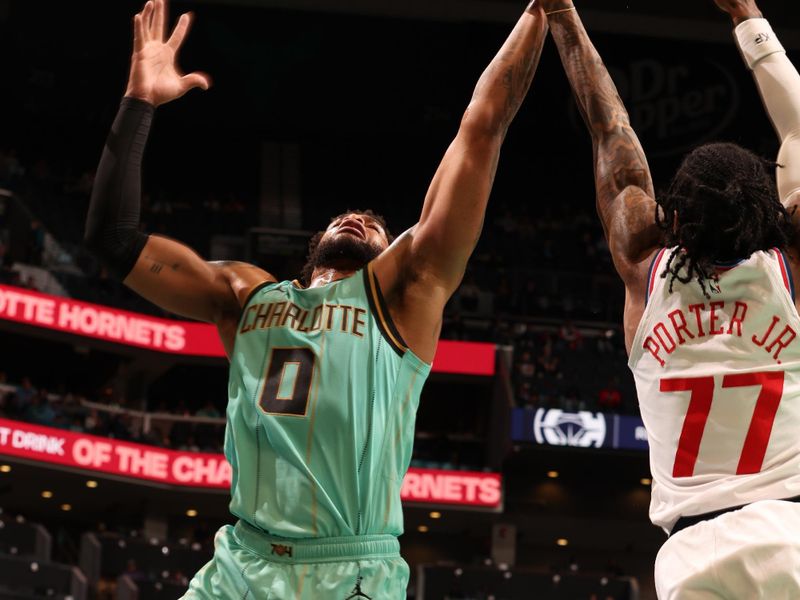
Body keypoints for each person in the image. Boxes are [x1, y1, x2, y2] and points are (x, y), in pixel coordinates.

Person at [84, 0, 549, 597]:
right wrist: (139, 102)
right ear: (313, 241)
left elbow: (482, 126)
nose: (360, 219)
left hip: (348, 568)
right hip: (240, 564)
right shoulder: (243, 294)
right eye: (350, 215)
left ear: (390, 253)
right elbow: (112, 239)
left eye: (376, 225)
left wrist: (543, 10)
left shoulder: (401, 297)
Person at [540, 0, 800, 597]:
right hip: (788, 530)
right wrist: (746, 13)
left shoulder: (641, 269)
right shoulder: (789, 274)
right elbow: (797, 129)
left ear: (673, 217)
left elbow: (610, 130)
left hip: (689, 554)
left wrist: (563, 16)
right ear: (767, 219)